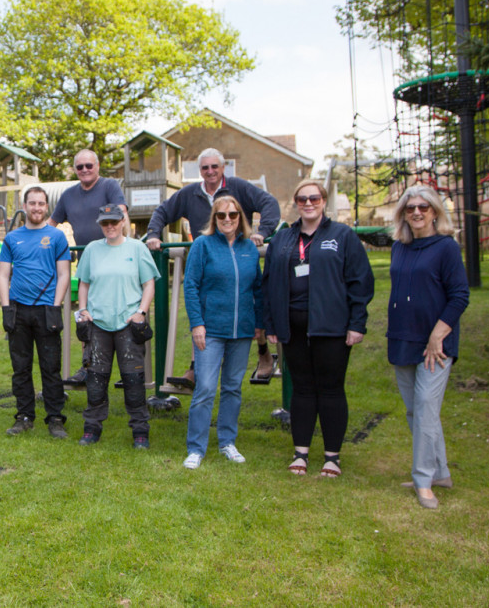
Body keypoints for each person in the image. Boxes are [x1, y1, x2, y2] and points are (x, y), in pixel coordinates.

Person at [262, 179, 374, 478]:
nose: (308, 203)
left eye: (314, 198)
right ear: (296, 203)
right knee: (302, 388)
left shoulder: (342, 236)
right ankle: (301, 451)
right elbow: (269, 283)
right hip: (293, 328)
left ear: (323, 201)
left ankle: (332, 456)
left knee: (331, 389)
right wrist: (271, 324)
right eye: (302, 199)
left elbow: (360, 282)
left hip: (332, 327)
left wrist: (356, 323)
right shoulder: (283, 239)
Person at [144, 147, 280, 386]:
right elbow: (163, 211)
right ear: (200, 170)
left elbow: (269, 203)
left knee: (251, 305)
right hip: (207, 260)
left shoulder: (238, 187)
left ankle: (263, 353)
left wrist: (263, 232)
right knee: (203, 309)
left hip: (238, 256)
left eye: (214, 167)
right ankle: (197, 367)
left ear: (223, 167)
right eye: (205, 168)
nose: (210, 172)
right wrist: (154, 234)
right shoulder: (190, 194)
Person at [387, 185, 469, 509]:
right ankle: (441, 471)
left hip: (435, 343)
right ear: (403, 214)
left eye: (423, 207)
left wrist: (439, 334)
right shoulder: (399, 247)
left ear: (435, 211)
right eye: (410, 208)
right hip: (402, 338)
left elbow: (460, 294)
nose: (417, 212)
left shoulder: (446, 247)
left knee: (424, 407)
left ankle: (424, 480)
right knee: (416, 410)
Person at [181, 196, 264, 469]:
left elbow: (258, 289)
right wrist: (197, 324)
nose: (227, 219)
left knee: (232, 388)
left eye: (233, 214)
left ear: (241, 217)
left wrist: (259, 323)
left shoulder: (250, 250)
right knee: (204, 388)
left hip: (241, 331)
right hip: (211, 330)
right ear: (214, 219)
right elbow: (191, 286)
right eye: (221, 215)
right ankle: (196, 448)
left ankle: (227, 442)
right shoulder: (202, 245)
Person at [75, 204, 159, 448]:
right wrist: (83, 310)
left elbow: (149, 284)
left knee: (134, 380)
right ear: (100, 224)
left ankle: (140, 431)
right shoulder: (92, 249)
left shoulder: (137, 248)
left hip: (127, 323)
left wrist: (141, 312)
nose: (110, 226)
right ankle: (92, 429)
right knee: (95, 380)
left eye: (114, 221)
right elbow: (84, 283)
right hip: (98, 323)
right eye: (105, 223)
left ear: (123, 221)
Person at [0, 186, 72, 438]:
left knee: (51, 367)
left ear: (47, 207)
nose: (37, 208)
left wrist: (56, 306)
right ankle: (24, 416)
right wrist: (6, 307)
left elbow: (64, 274)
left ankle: (55, 418)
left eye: (41, 203)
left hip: (46, 311)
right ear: (25, 206)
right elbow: (3, 274)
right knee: (21, 366)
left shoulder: (57, 237)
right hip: (18, 310)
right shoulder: (12, 238)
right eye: (32, 203)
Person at [49, 148, 128, 384]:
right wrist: (41, 244)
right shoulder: (68, 194)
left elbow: (121, 213)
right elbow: (52, 224)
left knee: (124, 309)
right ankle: (88, 365)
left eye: (89, 166)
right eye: (79, 167)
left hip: (114, 257)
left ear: (97, 166)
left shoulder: (109, 186)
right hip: (87, 261)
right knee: (87, 313)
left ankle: (130, 369)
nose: (84, 170)